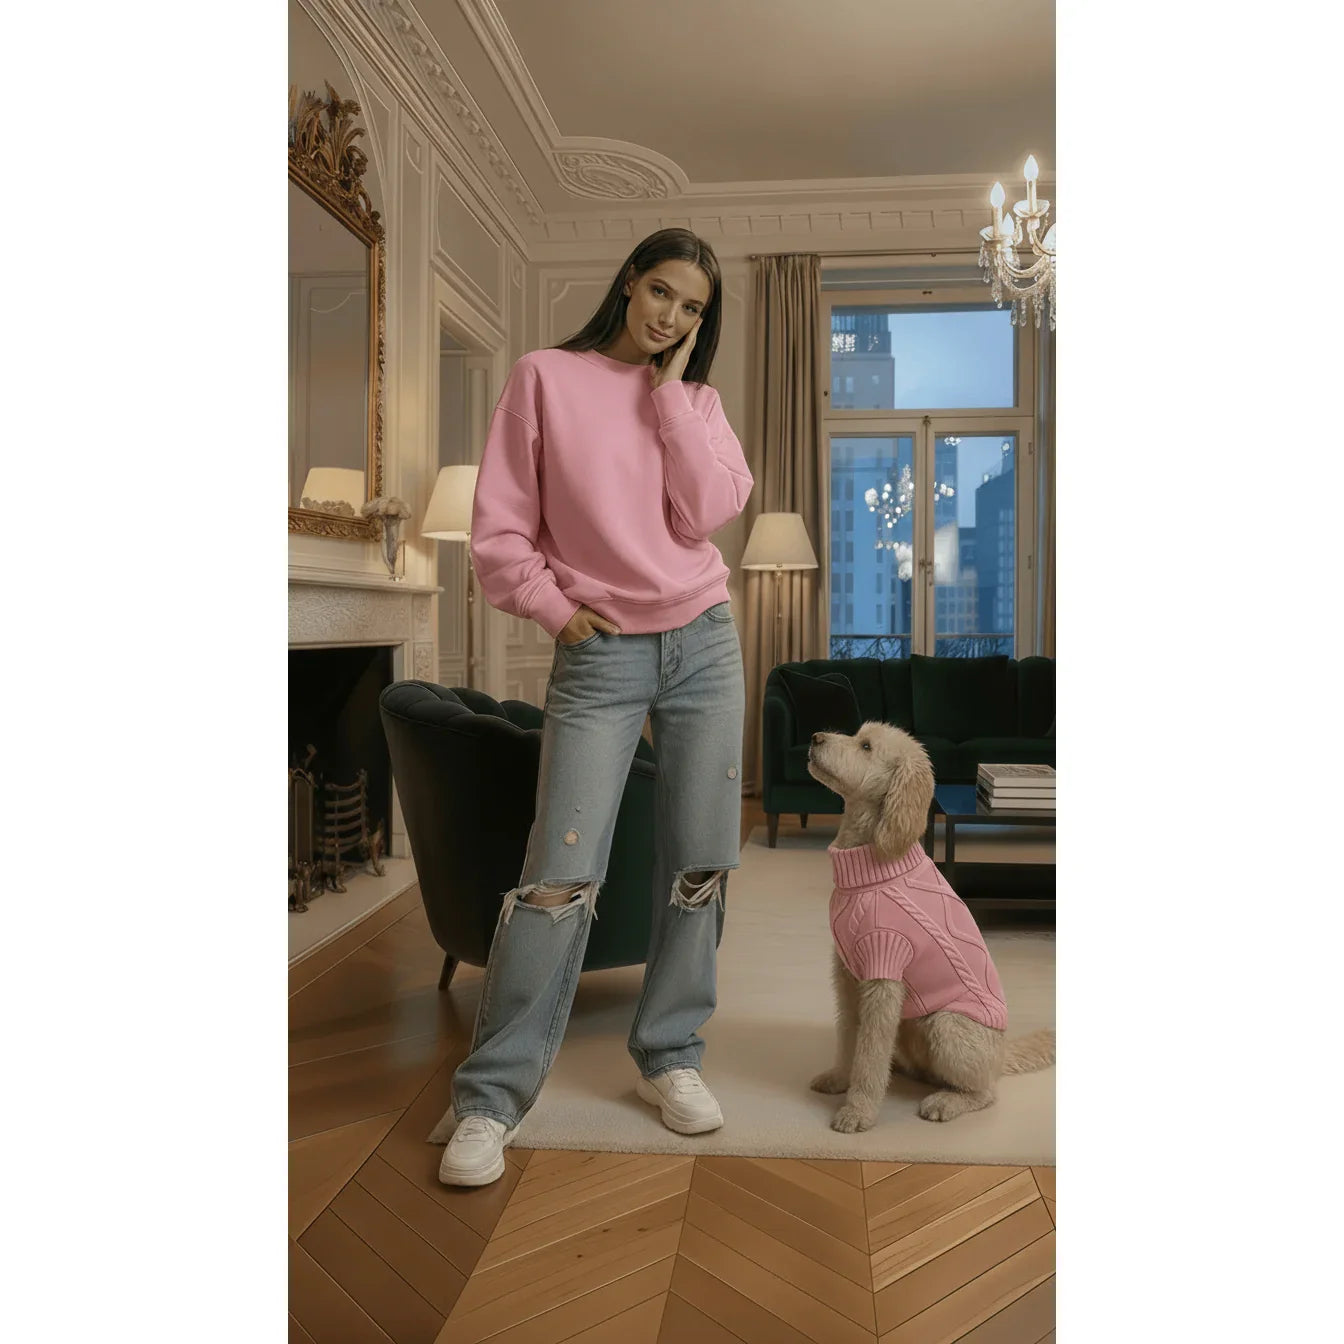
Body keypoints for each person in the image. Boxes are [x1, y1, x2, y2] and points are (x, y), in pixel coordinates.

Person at [436, 228, 754, 1186]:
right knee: (556, 876)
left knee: (700, 860)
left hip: (704, 640)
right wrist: (554, 610)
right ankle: (489, 1100)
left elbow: (705, 512)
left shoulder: (695, 402)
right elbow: (500, 531)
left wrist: (667, 396)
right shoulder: (543, 377)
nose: (670, 316)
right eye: (661, 292)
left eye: (691, 307)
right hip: (601, 653)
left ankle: (672, 1054)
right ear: (627, 283)